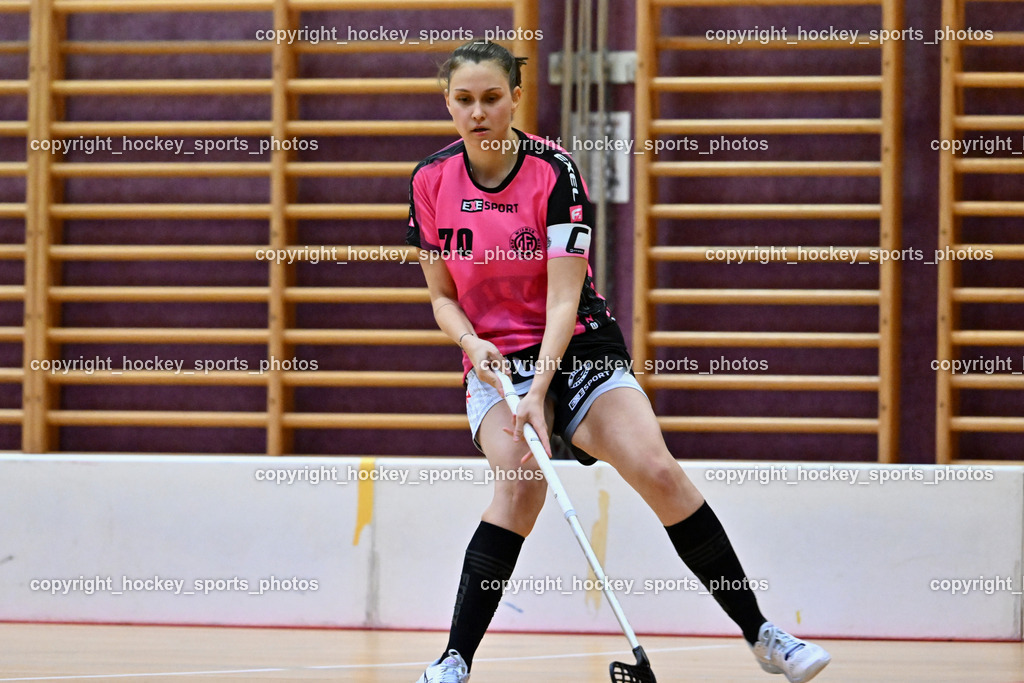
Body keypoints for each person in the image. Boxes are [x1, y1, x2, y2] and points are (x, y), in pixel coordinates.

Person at [407, 39, 831, 683]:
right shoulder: (430, 181)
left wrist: (539, 390)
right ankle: (455, 659)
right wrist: (473, 345)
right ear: (447, 104)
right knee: (520, 485)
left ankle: (763, 635)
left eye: (492, 98)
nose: (479, 113)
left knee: (656, 468)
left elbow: (562, 300)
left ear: (515, 98)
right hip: (495, 362)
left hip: (576, 346)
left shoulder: (553, 171)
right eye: (463, 101)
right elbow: (441, 297)